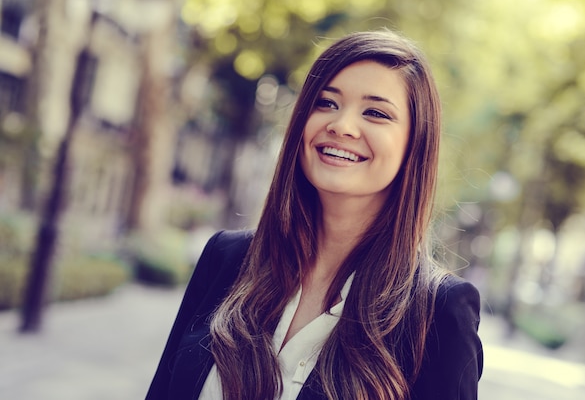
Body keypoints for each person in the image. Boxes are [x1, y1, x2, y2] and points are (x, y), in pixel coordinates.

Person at [146, 30, 483, 400]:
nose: (340, 125)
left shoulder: (439, 313)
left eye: (375, 112)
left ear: (413, 146)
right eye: (326, 103)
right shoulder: (226, 259)